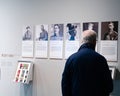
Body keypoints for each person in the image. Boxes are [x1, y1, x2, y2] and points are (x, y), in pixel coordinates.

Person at [61, 30, 113, 96]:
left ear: (82, 41)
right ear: (95, 42)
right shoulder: (101, 59)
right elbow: (109, 86)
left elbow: (65, 85)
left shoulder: (71, 59)